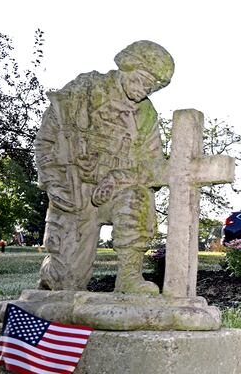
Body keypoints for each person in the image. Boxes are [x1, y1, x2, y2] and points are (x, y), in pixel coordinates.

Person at [35, 40, 173, 293]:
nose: (144, 90)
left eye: (151, 87)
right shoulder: (83, 91)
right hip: (74, 192)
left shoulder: (145, 115)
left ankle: (129, 278)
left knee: (138, 197)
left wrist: (117, 178)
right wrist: (54, 182)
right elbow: (46, 141)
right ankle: (52, 275)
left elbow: (154, 168)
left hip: (115, 192)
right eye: (140, 80)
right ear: (126, 67)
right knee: (64, 285)